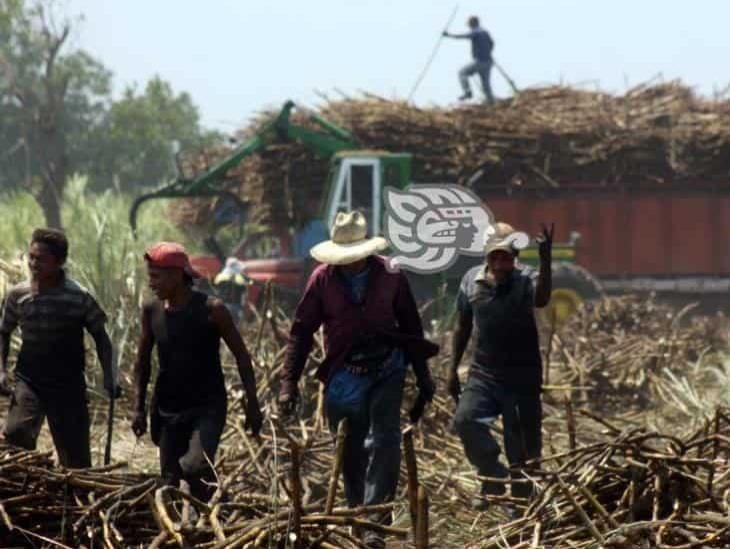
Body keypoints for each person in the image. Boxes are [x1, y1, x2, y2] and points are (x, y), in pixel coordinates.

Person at [278, 211, 438, 549]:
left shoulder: (390, 273)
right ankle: (358, 515)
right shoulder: (322, 280)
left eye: (356, 258)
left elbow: (410, 324)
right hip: (343, 374)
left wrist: (423, 375)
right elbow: (302, 332)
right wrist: (288, 383)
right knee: (350, 450)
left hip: (386, 368)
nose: (350, 264)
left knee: (385, 441)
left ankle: (375, 523)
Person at [131, 242, 263, 501]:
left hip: (207, 406)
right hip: (168, 409)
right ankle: (198, 525)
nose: (151, 283)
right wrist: (138, 407)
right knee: (170, 483)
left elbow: (242, 357)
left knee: (194, 467)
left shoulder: (212, 310)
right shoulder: (152, 311)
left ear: (177, 275)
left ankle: (216, 508)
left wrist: (253, 404)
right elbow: (142, 362)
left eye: (156, 277)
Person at [449, 222, 553, 511]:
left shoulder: (526, 278)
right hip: (484, 372)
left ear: (514, 256)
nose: (499, 263)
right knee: (465, 420)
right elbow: (462, 326)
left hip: (522, 375)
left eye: (505, 257)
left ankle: (520, 510)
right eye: (494, 256)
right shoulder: (472, 280)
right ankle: (492, 475)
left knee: (522, 450)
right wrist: (451, 370)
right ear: (486, 255)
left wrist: (545, 260)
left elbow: (542, 299)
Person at [0, 228, 118, 468]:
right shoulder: (18, 295)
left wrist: (110, 376)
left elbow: (101, 337)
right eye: (31, 257)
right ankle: (24, 483)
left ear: (60, 262)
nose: (33, 263)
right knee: (16, 435)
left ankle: (75, 500)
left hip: (68, 383)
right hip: (30, 379)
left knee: (76, 459)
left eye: (41, 259)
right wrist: (1, 370)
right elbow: (3, 332)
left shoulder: (78, 296)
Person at [443, 16, 496, 104]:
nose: (469, 27)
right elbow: (492, 43)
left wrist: (449, 35)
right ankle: (491, 102)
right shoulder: (485, 32)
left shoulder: (476, 32)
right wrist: (487, 52)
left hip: (480, 61)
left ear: (472, 24)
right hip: (488, 62)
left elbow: (464, 36)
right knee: (486, 85)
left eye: (469, 25)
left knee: (462, 73)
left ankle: (468, 92)